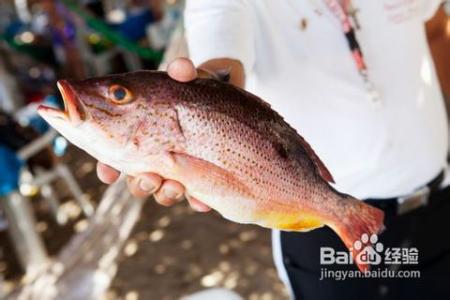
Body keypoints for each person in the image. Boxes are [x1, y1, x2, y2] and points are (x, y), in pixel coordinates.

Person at [97, 1, 450, 299]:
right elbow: (220, 55)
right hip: (321, 229)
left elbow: (435, 28)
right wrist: (203, 100)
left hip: (438, 206)